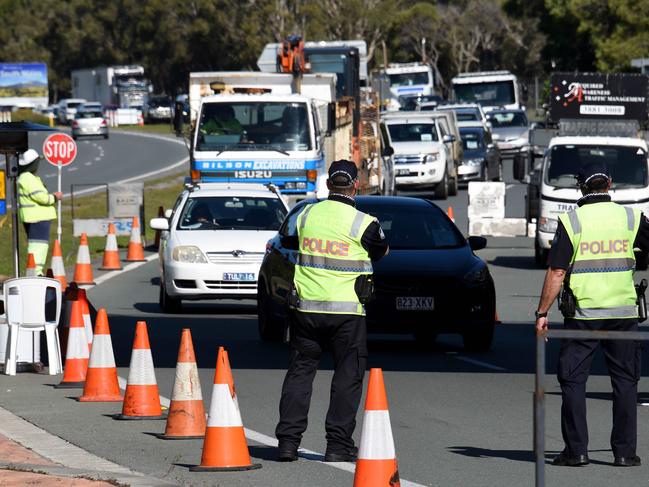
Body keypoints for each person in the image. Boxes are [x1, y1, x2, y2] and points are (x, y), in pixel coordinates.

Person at [536, 162, 649, 467]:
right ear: (609, 185)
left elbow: (557, 271)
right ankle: (624, 453)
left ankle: (577, 451)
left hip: (583, 315)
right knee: (625, 381)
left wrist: (542, 312)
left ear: (581, 187)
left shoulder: (572, 221)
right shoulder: (631, 217)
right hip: (624, 313)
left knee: (573, 380)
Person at [275, 159, 389, 462]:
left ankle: (288, 443)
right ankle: (337, 446)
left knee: (300, 373)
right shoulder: (363, 222)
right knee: (347, 377)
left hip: (306, 309)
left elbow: (287, 239)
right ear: (355, 185)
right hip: (347, 313)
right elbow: (381, 251)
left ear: (328, 185)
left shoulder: (306, 214)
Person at [17, 149, 62, 275]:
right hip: (37, 218)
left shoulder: (27, 177)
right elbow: (40, 197)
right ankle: (35, 272)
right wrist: (54, 197)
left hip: (35, 217)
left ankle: (35, 270)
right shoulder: (28, 178)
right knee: (39, 246)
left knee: (39, 245)